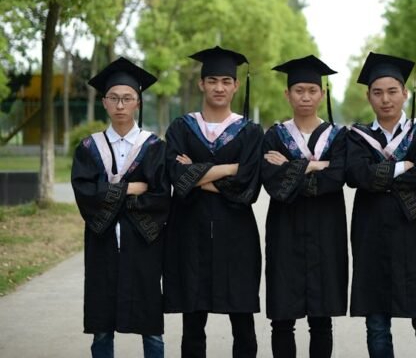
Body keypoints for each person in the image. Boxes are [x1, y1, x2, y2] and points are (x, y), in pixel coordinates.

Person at [163, 46, 263, 358]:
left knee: (242, 322)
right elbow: (175, 177)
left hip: (236, 236)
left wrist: (196, 172)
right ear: (201, 84)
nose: (219, 87)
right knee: (192, 322)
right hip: (188, 234)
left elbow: (247, 187)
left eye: (225, 81)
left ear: (235, 86)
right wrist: (232, 168)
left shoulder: (250, 132)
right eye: (212, 80)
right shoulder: (181, 127)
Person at [346, 52, 416, 358]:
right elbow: (356, 176)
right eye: (378, 92)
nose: (385, 99)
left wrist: (379, 178)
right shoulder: (359, 136)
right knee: (376, 324)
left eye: (392, 91)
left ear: (404, 93)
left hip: (412, 234)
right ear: (368, 96)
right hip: (370, 235)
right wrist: (403, 168)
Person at [71, 57, 170, 358]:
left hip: (143, 244)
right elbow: (85, 194)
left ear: (138, 103)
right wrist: (129, 189)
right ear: (104, 102)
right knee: (102, 325)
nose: (120, 105)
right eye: (114, 98)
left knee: (151, 326)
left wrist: (110, 196)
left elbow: (160, 196)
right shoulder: (89, 148)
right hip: (102, 244)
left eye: (127, 98)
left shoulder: (154, 147)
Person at [261, 54, 349, 358]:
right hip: (285, 232)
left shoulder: (339, 137)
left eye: (312, 91)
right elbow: (273, 184)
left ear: (322, 95)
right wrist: (316, 166)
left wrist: (293, 166)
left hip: (327, 232)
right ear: (287, 94)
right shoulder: (274, 135)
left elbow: (337, 178)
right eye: (299, 90)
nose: (306, 97)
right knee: (281, 320)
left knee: (321, 321)